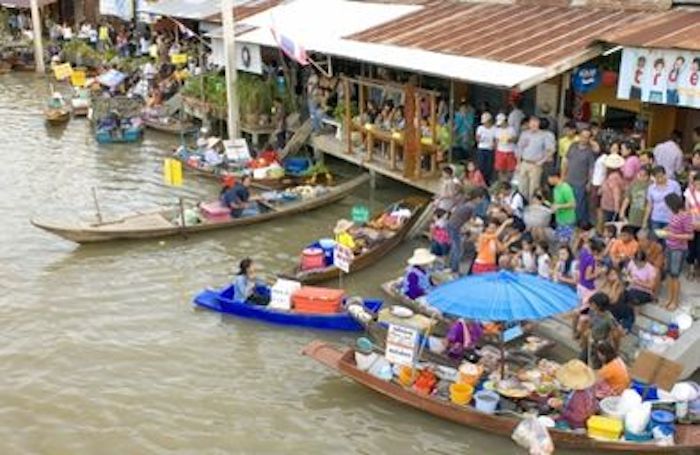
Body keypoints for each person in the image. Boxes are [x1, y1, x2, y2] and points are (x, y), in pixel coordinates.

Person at [662, 193, 694, 310]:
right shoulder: (674, 214)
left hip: (678, 250)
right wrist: (667, 228)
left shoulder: (685, 216)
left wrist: (673, 235)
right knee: (670, 274)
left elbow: (690, 236)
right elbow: (674, 227)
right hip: (669, 246)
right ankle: (670, 298)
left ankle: (675, 300)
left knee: (675, 275)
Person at [516, 116, 554, 201]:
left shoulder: (544, 135)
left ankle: (531, 206)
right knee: (522, 186)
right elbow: (519, 148)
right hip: (524, 162)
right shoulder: (524, 134)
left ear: (539, 123)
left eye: (536, 122)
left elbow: (550, 150)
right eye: (532, 122)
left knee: (534, 188)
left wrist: (541, 161)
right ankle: (522, 204)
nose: (533, 124)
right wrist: (518, 163)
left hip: (535, 164)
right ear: (529, 123)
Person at [564, 127, 597, 226]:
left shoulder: (590, 151)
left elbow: (591, 168)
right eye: (582, 136)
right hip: (569, 180)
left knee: (578, 205)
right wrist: (563, 176)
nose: (584, 139)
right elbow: (566, 161)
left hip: (581, 182)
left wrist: (589, 182)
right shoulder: (573, 146)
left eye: (587, 137)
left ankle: (575, 224)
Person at [447, 188, 485, 273]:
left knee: (455, 248)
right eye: (481, 199)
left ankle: (450, 267)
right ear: (478, 198)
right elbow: (472, 221)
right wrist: (482, 224)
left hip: (452, 225)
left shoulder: (466, 203)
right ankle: (454, 270)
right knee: (458, 250)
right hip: (456, 227)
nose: (482, 201)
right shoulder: (472, 207)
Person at [557, 359, 598, 429]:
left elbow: (578, 418)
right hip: (586, 417)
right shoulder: (589, 387)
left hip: (575, 425)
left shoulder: (579, 397)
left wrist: (560, 408)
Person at [643, 166, 682, 232]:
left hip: (671, 218)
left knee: (668, 240)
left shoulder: (674, 185)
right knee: (656, 240)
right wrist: (644, 220)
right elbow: (649, 205)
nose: (660, 179)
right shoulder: (651, 188)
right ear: (654, 177)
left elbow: (679, 202)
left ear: (665, 174)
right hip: (656, 218)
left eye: (661, 176)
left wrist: (679, 217)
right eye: (657, 177)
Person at [548, 171, 576, 244]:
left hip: (567, 221)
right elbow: (557, 202)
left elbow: (573, 204)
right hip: (559, 220)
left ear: (555, 177)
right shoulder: (555, 188)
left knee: (565, 243)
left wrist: (559, 206)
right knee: (560, 242)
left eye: (550, 178)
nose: (548, 180)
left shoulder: (566, 188)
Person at [600, 154, 626, 222]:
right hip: (608, 206)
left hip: (610, 207)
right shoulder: (615, 175)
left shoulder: (613, 177)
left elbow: (616, 193)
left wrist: (617, 208)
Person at [684, 173, 700, 279]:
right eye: (697, 183)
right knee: (691, 248)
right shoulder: (689, 192)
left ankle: (698, 269)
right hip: (692, 224)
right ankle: (691, 268)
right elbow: (687, 208)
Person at [493, 112, 517, 182]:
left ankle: (508, 182)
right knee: (500, 169)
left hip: (510, 151)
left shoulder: (511, 129)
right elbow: (495, 140)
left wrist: (510, 140)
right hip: (500, 151)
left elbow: (515, 139)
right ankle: (502, 182)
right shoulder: (497, 130)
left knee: (510, 169)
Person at [475, 112, 496, 184]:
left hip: (490, 149)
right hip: (481, 148)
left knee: (489, 166)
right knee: (481, 165)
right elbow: (477, 138)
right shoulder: (480, 128)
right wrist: (481, 139)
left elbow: (495, 139)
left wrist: (494, 145)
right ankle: (480, 180)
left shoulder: (494, 129)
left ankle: (487, 181)